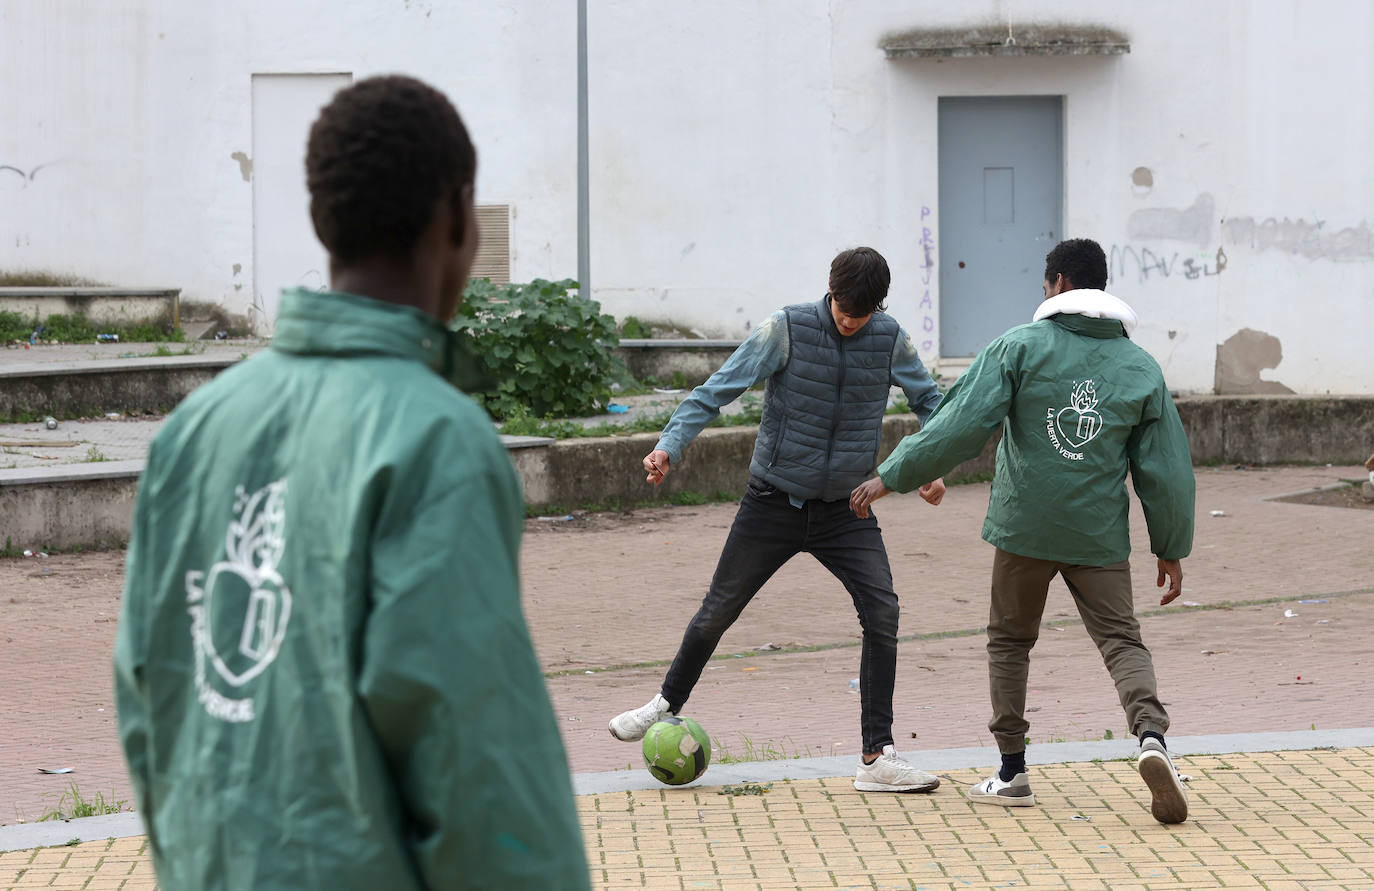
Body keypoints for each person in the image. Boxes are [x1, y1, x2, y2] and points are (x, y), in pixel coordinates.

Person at [113, 76, 589, 888]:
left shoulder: (195, 430)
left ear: (322, 220)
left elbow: (148, 701)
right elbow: (480, 779)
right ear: (457, 218)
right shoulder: (437, 440)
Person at [850, 238, 1195, 824]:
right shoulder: (1140, 368)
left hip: (1024, 529)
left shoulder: (1020, 346)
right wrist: (1170, 546)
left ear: (1058, 283)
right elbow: (1166, 471)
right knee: (1122, 640)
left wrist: (891, 476)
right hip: (1097, 535)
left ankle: (1012, 772)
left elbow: (959, 424)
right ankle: (1152, 739)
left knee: (1010, 642)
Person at [608, 247, 948, 793]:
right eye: (843, 310)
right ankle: (664, 704)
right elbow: (715, 390)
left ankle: (876, 757)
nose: (849, 321)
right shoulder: (786, 328)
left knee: (883, 611)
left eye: (861, 315)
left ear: (878, 306)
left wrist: (933, 462)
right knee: (718, 610)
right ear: (830, 289)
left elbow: (931, 401)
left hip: (847, 508)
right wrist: (669, 445)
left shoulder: (889, 339)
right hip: (772, 501)